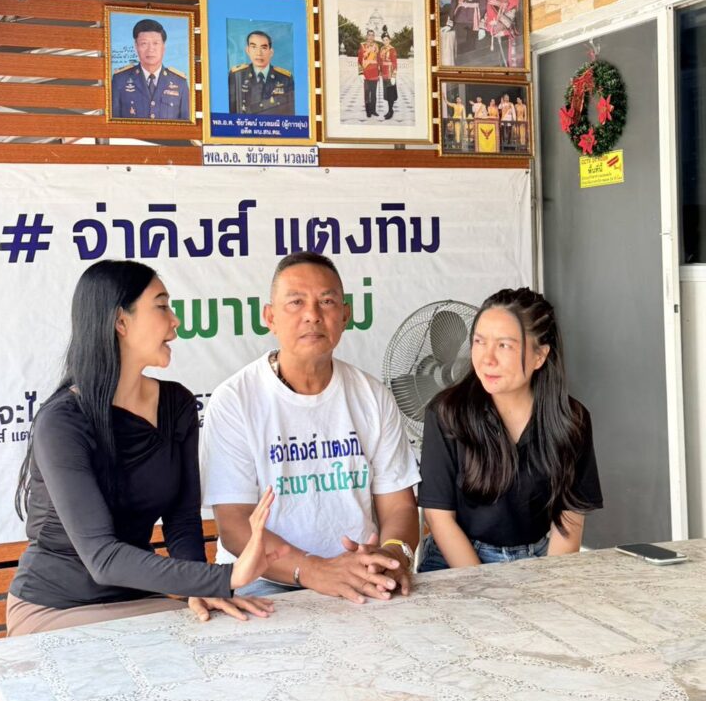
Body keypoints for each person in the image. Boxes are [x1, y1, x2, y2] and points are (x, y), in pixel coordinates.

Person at [7, 260, 284, 637]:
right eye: (162, 306)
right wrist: (223, 577)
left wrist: (201, 590)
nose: (176, 321)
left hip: (138, 600)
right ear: (121, 322)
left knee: (234, 640)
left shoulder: (176, 404)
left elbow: (182, 520)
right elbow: (103, 558)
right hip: (56, 606)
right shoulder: (62, 422)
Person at [202, 251, 420, 604]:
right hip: (263, 582)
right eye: (296, 302)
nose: (313, 315)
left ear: (345, 315)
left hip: (362, 577)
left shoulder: (372, 396)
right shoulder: (235, 400)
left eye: (327, 301)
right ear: (269, 317)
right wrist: (313, 569)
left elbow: (400, 507)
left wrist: (393, 555)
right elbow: (233, 525)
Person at [417, 287, 602, 570]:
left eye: (504, 345)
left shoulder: (571, 419)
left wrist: (552, 582)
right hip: (455, 560)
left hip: (538, 558)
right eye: (479, 342)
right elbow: (439, 517)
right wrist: (485, 586)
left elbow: (569, 520)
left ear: (540, 356)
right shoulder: (446, 413)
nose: (487, 359)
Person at [111, 18, 190, 120]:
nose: (150, 49)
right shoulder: (120, 80)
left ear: (163, 47)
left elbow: (186, 124)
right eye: (144, 43)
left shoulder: (180, 83)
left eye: (155, 43)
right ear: (136, 46)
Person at [228, 30, 295, 115]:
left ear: (271, 52)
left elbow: (290, 114)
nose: (259, 53)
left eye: (263, 48)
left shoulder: (285, 78)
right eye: (254, 47)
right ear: (247, 50)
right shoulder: (236, 75)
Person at [357, 29, 381, 118]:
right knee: (367, 93)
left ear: (374, 37)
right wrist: (361, 73)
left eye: (372, 35)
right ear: (367, 36)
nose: (371, 37)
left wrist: (379, 73)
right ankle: (368, 111)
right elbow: (359, 60)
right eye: (369, 35)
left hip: (374, 73)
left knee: (374, 93)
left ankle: (373, 110)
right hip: (366, 73)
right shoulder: (362, 46)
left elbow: (378, 60)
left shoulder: (376, 46)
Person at [378, 32, 398, 120]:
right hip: (384, 74)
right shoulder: (381, 49)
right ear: (382, 41)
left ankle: (390, 111)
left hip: (390, 73)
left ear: (389, 40)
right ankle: (389, 110)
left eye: (387, 40)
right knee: (386, 93)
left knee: (390, 94)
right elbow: (380, 61)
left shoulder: (392, 49)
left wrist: (394, 76)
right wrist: (379, 72)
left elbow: (394, 63)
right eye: (384, 40)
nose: (385, 41)